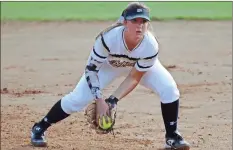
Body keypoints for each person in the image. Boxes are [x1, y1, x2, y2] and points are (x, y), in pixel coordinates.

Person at [31, 2, 190, 150]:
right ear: (125, 22)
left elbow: (134, 76)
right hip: (109, 66)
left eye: (143, 22)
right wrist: (99, 99)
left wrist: (112, 101)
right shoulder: (108, 38)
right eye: (135, 21)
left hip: (136, 67)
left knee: (169, 89)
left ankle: (172, 137)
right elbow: (92, 69)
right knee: (78, 99)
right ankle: (39, 128)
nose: (139, 26)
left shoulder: (150, 45)